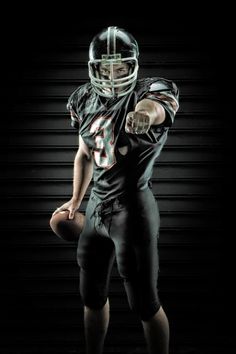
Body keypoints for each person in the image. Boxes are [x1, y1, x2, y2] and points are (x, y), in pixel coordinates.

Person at [50, 26, 179, 354]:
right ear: (93, 67)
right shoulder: (81, 98)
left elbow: (157, 107)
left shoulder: (150, 91)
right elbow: (83, 154)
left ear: (133, 66)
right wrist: (76, 200)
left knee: (145, 304)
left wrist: (143, 115)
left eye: (120, 68)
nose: (112, 75)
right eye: (105, 68)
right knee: (91, 296)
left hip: (132, 209)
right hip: (96, 206)